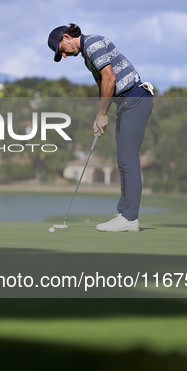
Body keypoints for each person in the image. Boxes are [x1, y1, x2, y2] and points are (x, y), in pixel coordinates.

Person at [47, 23, 153, 232]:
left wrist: (102, 113)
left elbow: (110, 79)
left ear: (67, 37)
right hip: (126, 102)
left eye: (62, 50)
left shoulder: (93, 44)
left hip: (135, 98)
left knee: (128, 157)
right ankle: (125, 214)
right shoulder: (88, 56)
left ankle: (130, 218)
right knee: (122, 159)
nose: (65, 55)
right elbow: (103, 86)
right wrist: (99, 116)